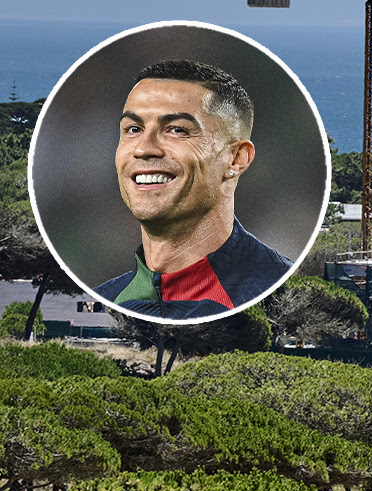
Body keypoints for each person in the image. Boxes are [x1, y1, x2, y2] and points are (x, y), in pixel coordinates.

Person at [94, 59, 292, 320]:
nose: (143, 148)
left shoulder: (278, 295)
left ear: (236, 159)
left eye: (177, 130)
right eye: (133, 129)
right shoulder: (106, 299)